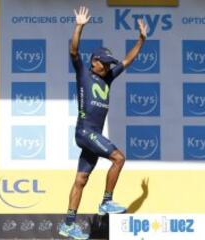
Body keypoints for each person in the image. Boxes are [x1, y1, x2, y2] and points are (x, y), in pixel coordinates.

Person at [59, 6, 147, 239]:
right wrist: (79, 26)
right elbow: (74, 51)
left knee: (81, 179)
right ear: (94, 61)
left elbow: (127, 60)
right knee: (119, 158)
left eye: (109, 64)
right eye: (104, 63)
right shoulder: (84, 73)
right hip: (85, 131)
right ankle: (106, 202)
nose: (107, 66)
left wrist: (141, 40)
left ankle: (68, 224)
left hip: (92, 135)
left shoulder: (107, 78)